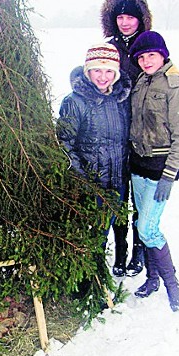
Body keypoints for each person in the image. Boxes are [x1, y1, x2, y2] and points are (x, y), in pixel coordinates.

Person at [128, 31, 179, 312]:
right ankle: (152, 279)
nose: (145, 61)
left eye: (151, 55)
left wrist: (170, 174)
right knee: (142, 224)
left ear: (163, 55)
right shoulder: (141, 81)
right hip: (137, 166)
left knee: (148, 228)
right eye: (141, 57)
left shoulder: (176, 87)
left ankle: (172, 284)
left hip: (159, 170)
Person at [57, 43, 132, 285]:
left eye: (109, 71)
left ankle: (96, 280)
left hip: (117, 183)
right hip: (91, 185)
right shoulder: (75, 101)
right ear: (87, 72)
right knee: (91, 236)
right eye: (97, 70)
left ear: (116, 74)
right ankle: (86, 285)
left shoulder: (121, 100)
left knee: (106, 233)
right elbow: (64, 142)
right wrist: (81, 179)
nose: (103, 77)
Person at [100, 0, 153, 276]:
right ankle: (119, 253)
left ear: (140, 19)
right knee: (118, 198)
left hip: (141, 133)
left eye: (130, 17)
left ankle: (139, 252)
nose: (125, 23)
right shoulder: (109, 46)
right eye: (120, 17)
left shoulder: (148, 46)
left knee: (140, 200)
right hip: (115, 132)